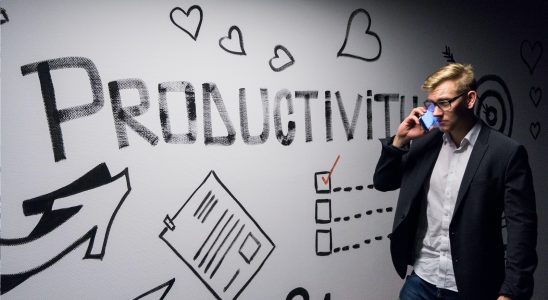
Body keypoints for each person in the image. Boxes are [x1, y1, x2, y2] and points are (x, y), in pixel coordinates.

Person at [373, 63, 537, 300]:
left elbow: (522, 229)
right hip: (421, 280)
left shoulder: (506, 153)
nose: (436, 113)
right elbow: (383, 181)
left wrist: (511, 292)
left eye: (445, 103)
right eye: (431, 105)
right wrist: (400, 140)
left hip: (472, 287)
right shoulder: (425, 143)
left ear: (470, 99)